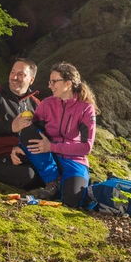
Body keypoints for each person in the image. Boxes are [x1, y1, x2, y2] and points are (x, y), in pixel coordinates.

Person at [12, 62, 97, 207]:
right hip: (49, 159)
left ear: (68, 83)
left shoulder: (86, 109)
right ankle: (53, 181)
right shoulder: (46, 104)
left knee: (72, 202)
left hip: (74, 160)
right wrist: (17, 147)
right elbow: (31, 133)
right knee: (27, 128)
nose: (50, 86)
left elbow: (86, 147)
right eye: (49, 81)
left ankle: (69, 185)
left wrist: (52, 146)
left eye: (54, 82)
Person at [0, 58, 39, 189]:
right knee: (30, 176)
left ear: (31, 80)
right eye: (12, 72)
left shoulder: (37, 104)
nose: (14, 77)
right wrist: (11, 126)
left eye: (21, 74)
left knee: (54, 171)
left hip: (27, 156)